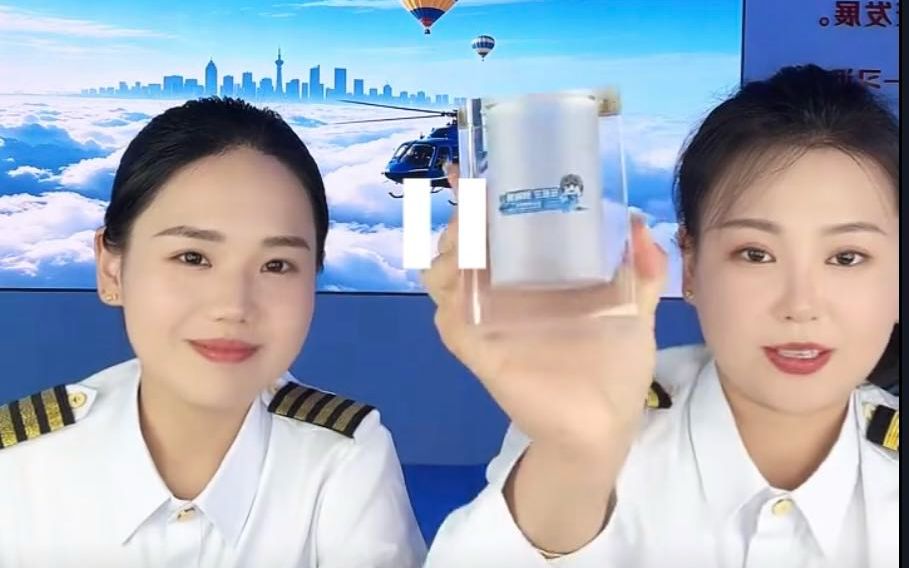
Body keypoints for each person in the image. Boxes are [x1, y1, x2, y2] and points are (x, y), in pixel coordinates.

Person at [422, 65, 899, 567]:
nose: (801, 305)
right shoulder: (597, 400)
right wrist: (577, 452)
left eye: (847, 257)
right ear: (690, 266)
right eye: (755, 254)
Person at [0, 97, 426, 567]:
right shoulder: (19, 465)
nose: (233, 306)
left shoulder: (342, 459)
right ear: (111, 268)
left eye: (276, 265)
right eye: (193, 258)